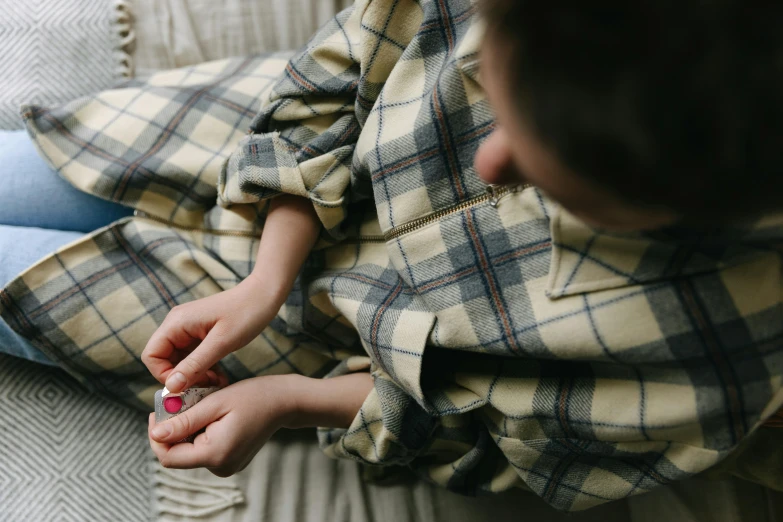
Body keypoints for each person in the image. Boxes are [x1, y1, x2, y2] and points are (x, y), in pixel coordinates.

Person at [2, 0, 782, 512]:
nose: (490, 164)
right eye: (495, 105)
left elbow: (487, 433)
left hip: (312, 355)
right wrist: (267, 275)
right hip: (229, 144)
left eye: (554, 179)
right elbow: (343, 67)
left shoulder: (714, 371)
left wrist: (290, 401)